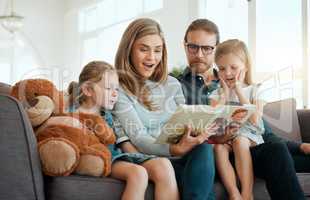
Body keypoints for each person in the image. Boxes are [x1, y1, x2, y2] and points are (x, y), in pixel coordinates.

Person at [178, 18, 306, 199]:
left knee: (277, 150)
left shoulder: (237, 83)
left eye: (206, 48)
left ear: (216, 49)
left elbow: (262, 130)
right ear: (185, 46)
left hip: (252, 145)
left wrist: (298, 146)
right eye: (193, 47)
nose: (199, 54)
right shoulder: (177, 86)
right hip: (215, 150)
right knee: (258, 148)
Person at [112, 18, 216, 200]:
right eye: (143, 49)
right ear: (128, 50)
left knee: (204, 149)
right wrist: (174, 150)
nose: (151, 57)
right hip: (150, 157)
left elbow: (184, 122)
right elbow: (139, 137)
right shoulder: (118, 89)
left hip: (180, 157)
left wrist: (196, 134)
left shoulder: (173, 84)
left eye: (157, 50)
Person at [68, 61, 179, 200]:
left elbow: (122, 143)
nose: (115, 94)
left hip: (115, 157)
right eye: (109, 89)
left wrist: (142, 157)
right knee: (138, 174)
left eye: (116, 89)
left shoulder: (109, 116)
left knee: (163, 164)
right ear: (88, 90)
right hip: (96, 159)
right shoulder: (72, 115)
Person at [210, 39, 265, 200]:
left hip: (250, 136)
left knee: (240, 140)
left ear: (245, 67)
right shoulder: (216, 94)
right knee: (218, 149)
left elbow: (255, 120)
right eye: (221, 68)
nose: (227, 73)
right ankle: (234, 193)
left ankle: (247, 194)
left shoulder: (255, 90)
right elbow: (213, 125)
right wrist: (225, 96)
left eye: (233, 68)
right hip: (227, 136)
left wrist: (239, 91)